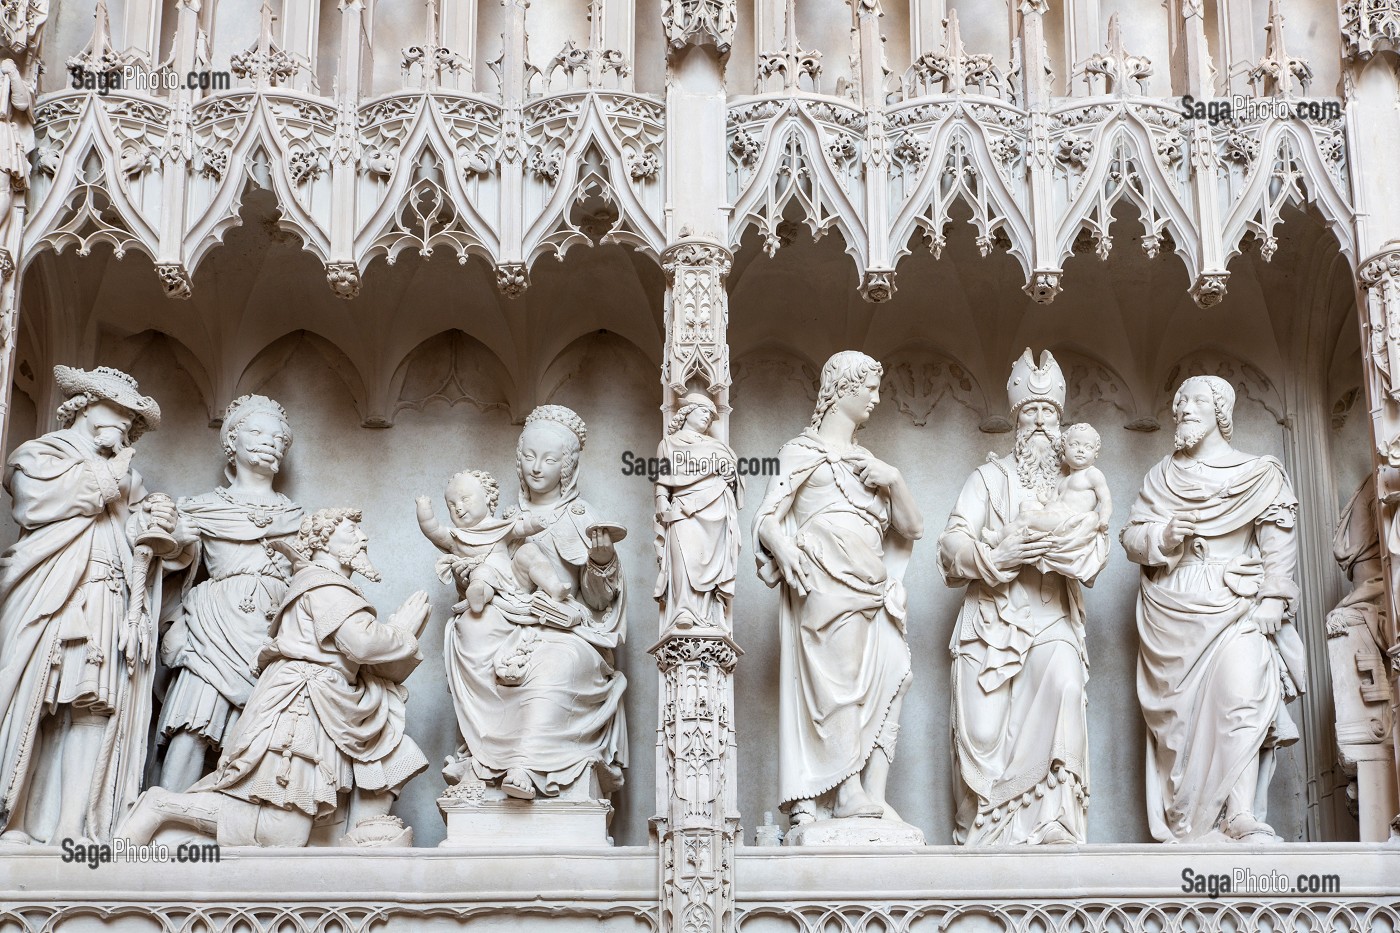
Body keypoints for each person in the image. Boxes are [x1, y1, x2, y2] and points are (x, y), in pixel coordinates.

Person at [122, 508, 431, 847]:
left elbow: (363, 658)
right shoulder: (324, 585)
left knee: (285, 833)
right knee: (281, 830)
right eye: (351, 532)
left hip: (322, 702)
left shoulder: (328, 586)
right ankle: (164, 807)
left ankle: (173, 833)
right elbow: (362, 644)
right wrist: (401, 633)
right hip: (301, 706)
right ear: (323, 543)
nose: (363, 538)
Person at [939, 349, 1107, 845]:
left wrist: (1070, 553)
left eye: (1048, 413)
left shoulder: (1077, 485)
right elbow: (949, 548)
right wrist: (999, 555)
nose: (1038, 421)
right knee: (985, 733)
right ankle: (985, 833)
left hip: (1053, 616)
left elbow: (1098, 547)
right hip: (993, 622)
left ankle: (1053, 819)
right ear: (1015, 418)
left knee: (1065, 686)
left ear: (1061, 421)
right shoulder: (987, 479)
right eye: (1029, 412)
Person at [1122, 374, 1300, 842]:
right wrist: (1163, 537)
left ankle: (1238, 814)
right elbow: (1131, 538)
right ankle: (1191, 819)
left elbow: (1279, 545)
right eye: (1179, 401)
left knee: (1242, 693)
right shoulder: (1161, 476)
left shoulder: (1258, 472)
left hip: (1237, 603)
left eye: (1196, 401)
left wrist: (1274, 598)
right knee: (1180, 731)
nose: (1183, 408)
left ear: (1221, 411)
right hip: (1174, 608)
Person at [0, 365, 173, 844]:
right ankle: (11, 819)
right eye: (115, 409)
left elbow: (156, 541)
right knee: (35, 696)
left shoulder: (129, 477)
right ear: (82, 405)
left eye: (131, 417)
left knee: (94, 705)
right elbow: (35, 501)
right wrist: (111, 474)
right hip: (52, 593)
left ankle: (71, 829)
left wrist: (164, 523)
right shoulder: (40, 453)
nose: (125, 422)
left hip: (107, 595)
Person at [753, 351, 923, 827]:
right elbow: (767, 516)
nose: (876, 396)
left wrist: (896, 480)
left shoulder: (871, 463)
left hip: (874, 588)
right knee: (840, 689)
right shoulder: (801, 451)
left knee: (896, 677)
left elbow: (912, 528)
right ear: (843, 390)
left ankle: (872, 792)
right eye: (868, 387)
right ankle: (844, 792)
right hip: (826, 584)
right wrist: (784, 551)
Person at [441, 405, 628, 800]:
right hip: (513, 615)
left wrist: (600, 561)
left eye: (549, 459)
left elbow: (598, 602)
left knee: (556, 662)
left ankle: (525, 765)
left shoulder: (582, 516)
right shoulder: (505, 517)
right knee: (467, 628)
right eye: (529, 457)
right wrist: (469, 578)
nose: (537, 468)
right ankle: (480, 758)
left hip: (569, 627)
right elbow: (488, 572)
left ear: (569, 466)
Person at [157, 395, 303, 791]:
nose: (269, 441)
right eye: (256, 432)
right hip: (213, 627)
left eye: (279, 437)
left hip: (272, 631)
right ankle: (162, 816)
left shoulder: (297, 518)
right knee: (195, 720)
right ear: (232, 442)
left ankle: (237, 822)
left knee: (261, 730)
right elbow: (166, 574)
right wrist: (176, 546)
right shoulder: (200, 509)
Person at [415, 468, 564, 612]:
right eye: (451, 505)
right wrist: (424, 509)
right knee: (481, 573)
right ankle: (477, 598)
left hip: (515, 579)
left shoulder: (499, 526)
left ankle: (554, 586)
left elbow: (520, 528)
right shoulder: (455, 537)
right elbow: (433, 530)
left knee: (529, 550)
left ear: (486, 496)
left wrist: (536, 523)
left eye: (465, 499)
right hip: (488, 583)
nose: (458, 508)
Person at [654, 392, 742, 631]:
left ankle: (710, 614)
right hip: (683, 508)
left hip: (715, 508)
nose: (708, 418)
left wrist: (730, 475)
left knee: (711, 561)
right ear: (686, 412)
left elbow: (734, 479)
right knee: (682, 557)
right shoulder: (669, 444)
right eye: (703, 411)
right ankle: (683, 609)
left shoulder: (717, 446)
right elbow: (662, 480)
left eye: (712, 415)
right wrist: (662, 500)